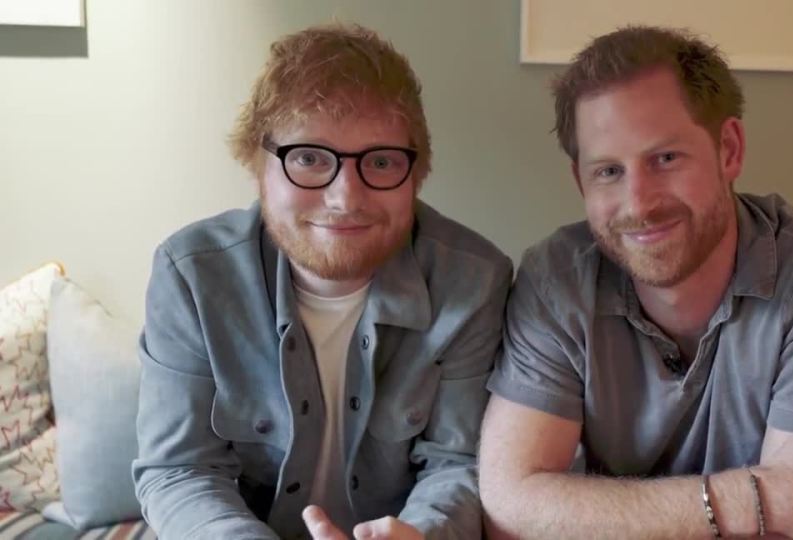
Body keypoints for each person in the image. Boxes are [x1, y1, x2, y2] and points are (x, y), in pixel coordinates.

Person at [480, 25, 793, 539]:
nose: (639, 203)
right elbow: (509, 508)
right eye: (608, 171)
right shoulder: (555, 281)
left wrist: (594, 513)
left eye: (665, 159)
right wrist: (764, 497)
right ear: (579, 181)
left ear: (728, 149)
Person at [133, 24, 511, 540]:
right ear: (257, 165)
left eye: (380, 161)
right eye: (309, 158)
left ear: (416, 173)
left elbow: (458, 463)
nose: (345, 197)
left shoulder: (473, 281)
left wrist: (422, 533)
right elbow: (179, 470)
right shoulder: (192, 276)